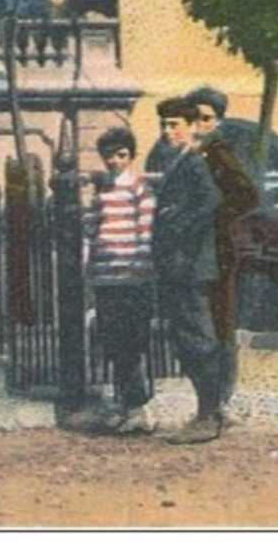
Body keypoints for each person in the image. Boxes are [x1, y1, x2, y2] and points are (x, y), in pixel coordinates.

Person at [183, 86, 260, 418]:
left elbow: (247, 193)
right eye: (195, 118)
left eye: (206, 118)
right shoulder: (191, 151)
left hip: (220, 245)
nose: (200, 124)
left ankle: (223, 395)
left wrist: (217, 215)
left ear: (218, 121)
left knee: (220, 318)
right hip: (200, 246)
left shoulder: (219, 152)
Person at [151, 97, 223, 445]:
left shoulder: (194, 163)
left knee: (197, 337)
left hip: (191, 264)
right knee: (185, 337)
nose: (168, 131)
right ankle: (207, 410)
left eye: (175, 125)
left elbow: (210, 203)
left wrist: (178, 226)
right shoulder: (176, 162)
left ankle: (209, 414)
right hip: (180, 264)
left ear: (192, 127)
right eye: (164, 125)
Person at [84, 126, 157, 435]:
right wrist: (88, 266)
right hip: (105, 279)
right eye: (108, 156)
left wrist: (140, 270)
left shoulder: (140, 189)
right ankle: (125, 405)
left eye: (121, 155)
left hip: (132, 279)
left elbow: (146, 233)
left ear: (131, 155)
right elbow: (89, 231)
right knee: (111, 341)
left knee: (132, 341)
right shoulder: (102, 192)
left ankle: (139, 407)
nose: (114, 161)